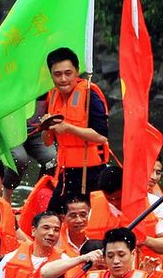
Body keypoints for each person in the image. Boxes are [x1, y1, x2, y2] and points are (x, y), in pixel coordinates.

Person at [40, 47, 111, 210]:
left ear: (77, 72)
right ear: (51, 75)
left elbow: (102, 136)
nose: (63, 79)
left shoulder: (89, 95)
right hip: (65, 173)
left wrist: (69, 128)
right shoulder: (52, 97)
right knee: (53, 216)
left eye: (68, 73)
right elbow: (46, 142)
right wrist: (46, 127)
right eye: (57, 74)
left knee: (88, 219)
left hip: (91, 173)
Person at [86, 166, 163, 264]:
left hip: (148, 269)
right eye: (110, 199)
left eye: (118, 198)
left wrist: (144, 240)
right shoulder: (91, 209)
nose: (115, 203)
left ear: (127, 188)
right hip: (109, 272)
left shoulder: (154, 203)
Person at [2, 94, 57, 202]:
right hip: (13, 132)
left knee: (52, 159)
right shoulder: (11, 82)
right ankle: (6, 197)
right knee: (19, 159)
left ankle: (36, 197)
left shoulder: (45, 84)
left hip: (37, 132)